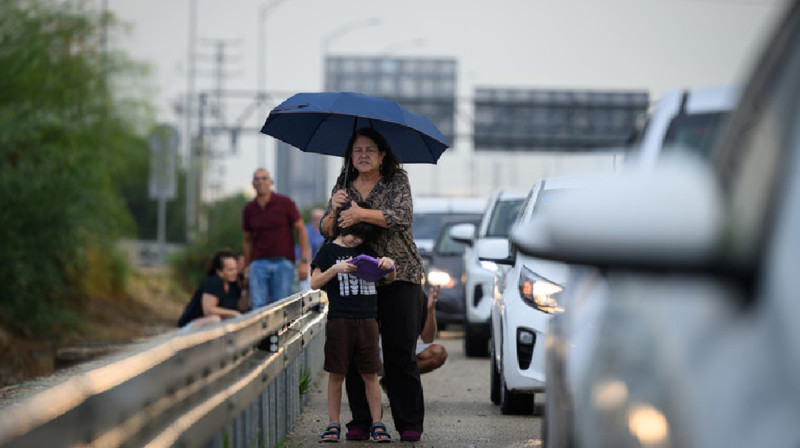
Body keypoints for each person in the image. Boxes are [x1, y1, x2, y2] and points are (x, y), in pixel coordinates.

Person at [320, 127, 426, 442]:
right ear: (350, 157)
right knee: (357, 354)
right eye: (357, 150)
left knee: (399, 351)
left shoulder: (397, 181)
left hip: (400, 274)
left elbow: (402, 216)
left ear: (382, 155)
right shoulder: (342, 186)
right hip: (356, 279)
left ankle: (409, 421)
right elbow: (328, 230)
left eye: (370, 150)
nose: (363, 155)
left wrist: (358, 212)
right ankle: (361, 421)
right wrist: (335, 210)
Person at [311, 206, 396, 443]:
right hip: (340, 319)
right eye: (353, 235)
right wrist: (335, 269)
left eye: (361, 237)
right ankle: (332, 423)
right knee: (337, 373)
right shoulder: (328, 251)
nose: (356, 240)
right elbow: (314, 282)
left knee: (370, 372)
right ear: (342, 227)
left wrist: (389, 266)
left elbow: (389, 278)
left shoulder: (365, 249)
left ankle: (377, 423)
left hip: (368, 319)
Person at [242, 168, 311, 309]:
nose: (260, 181)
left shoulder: (285, 203)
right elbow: (247, 240)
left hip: (283, 263)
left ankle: (279, 332)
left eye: (264, 178)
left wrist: (304, 261)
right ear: (253, 184)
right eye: (257, 179)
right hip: (258, 263)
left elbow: (301, 231)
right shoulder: (249, 209)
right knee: (257, 307)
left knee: (280, 307)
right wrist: (247, 266)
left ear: (271, 182)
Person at [177, 250, 248, 328]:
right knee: (214, 319)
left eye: (235, 269)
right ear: (219, 271)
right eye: (230, 270)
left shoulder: (233, 284)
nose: (235, 272)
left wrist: (246, 287)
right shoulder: (214, 281)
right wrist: (233, 313)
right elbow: (208, 310)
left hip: (213, 329)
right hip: (190, 327)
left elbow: (242, 308)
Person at [296, 208, 325, 291]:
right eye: (315, 218)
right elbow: (307, 249)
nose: (317, 221)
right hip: (309, 263)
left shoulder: (327, 231)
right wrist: (308, 267)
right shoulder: (307, 231)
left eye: (319, 218)